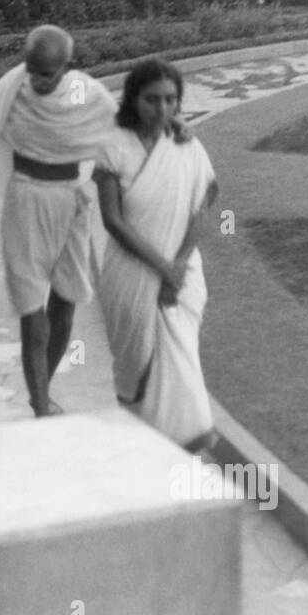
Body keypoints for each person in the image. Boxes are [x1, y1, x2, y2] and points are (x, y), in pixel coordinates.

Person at [0, 25, 186, 417]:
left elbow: (124, 122)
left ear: (67, 67)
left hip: (73, 200)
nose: (37, 79)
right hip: (28, 199)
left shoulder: (86, 92)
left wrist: (171, 124)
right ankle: (40, 403)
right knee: (31, 307)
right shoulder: (14, 83)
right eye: (33, 69)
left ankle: (43, 388)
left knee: (67, 302)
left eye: (47, 73)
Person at [93, 57, 219, 452]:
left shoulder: (186, 145)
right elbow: (113, 221)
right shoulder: (113, 146)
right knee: (134, 367)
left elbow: (203, 205)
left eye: (170, 100)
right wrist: (161, 267)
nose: (162, 109)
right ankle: (139, 452)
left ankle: (186, 447)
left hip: (182, 273)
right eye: (152, 100)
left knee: (181, 360)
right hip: (130, 275)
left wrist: (177, 267)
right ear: (133, 99)